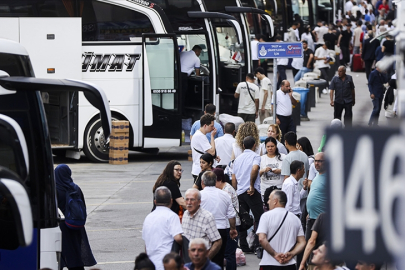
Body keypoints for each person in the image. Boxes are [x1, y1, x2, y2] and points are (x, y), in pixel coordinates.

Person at [55, 164, 96, 270]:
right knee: (76, 256)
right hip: (76, 225)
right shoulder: (75, 188)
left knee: (61, 256)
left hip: (62, 226)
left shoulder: (55, 189)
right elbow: (83, 207)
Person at [256, 190, 306, 269]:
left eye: (269, 199)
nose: (268, 202)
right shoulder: (295, 219)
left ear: (275, 201)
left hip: (268, 263)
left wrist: (275, 254)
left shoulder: (266, 216)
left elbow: (262, 238)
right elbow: (302, 242)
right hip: (289, 264)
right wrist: (291, 254)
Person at [232, 136, 264, 253]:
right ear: (254, 145)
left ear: (244, 146)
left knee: (242, 219)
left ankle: (244, 246)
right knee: (260, 218)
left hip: (240, 192)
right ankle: (258, 244)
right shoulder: (256, 157)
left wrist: (236, 190)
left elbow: (233, 177)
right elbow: (255, 169)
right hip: (252, 192)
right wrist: (251, 185)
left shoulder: (237, 159)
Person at [200, 171, 237, 269]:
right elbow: (231, 215)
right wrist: (233, 229)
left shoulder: (199, 196)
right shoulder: (224, 195)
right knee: (218, 260)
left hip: (204, 232)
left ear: (202, 182)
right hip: (220, 230)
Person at [143, 187, 183, 270]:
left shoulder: (148, 217)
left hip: (151, 263)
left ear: (155, 202)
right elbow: (178, 238)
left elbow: (146, 244)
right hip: (167, 263)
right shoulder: (172, 216)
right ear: (171, 201)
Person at [182, 189, 222, 260]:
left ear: (199, 202)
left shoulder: (207, 217)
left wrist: (206, 259)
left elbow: (218, 241)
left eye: (192, 200)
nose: (189, 202)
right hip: (187, 260)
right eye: (187, 199)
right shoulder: (185, 214)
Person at [213, 168, 240, 270]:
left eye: (214, 182)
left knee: (229, 254)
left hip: (231, 224)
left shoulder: (226, 190)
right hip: (228, 224)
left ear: (219, 180)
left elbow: (228, 212)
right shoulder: (223, 189)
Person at [190, 114, 218, 180]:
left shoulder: (199, 135)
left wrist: (215, 156)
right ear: (205, 125)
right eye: (211, 126)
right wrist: (212, 136)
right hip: (200, 170)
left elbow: (207, 151)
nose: (213, 128)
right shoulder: (200, 136)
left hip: (199, 169)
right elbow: (212, 152)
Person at [306, 153, 326, 240]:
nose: (316, 163)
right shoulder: (318, 175)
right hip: (312, 217)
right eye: (315, 161)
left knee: (314, 245)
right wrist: (309, 212)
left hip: (321, 220)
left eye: (319, 161)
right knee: (309, 244)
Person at [180, 45, 202, 113]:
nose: (199, 54)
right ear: (196, 51)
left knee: (178, 94)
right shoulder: (196, 59)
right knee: (183, 94)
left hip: (176, 74)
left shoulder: (182, 53)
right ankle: (183, 112)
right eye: (199, 53)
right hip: (184, 77)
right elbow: (197, 74)